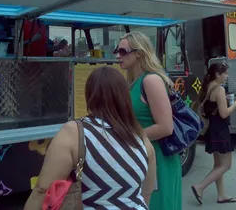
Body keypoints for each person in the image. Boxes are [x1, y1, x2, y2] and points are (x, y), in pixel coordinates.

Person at [24, 66, 156, 210]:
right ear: (125, 97)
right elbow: (146, 193)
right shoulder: (141, 138)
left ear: (89, 96)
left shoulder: (74, 132)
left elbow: (43, 189)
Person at [115, 31, 182, 210]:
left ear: (139, 53)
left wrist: (128, 137)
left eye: (123, 51)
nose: (117, 55)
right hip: (142, 155)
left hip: (158, 157)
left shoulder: (151, 80)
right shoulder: (133, 82)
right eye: (117, 50)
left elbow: (166, 127)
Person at [191, 63, 236, 205]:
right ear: (217, 74)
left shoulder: (208, 86)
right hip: (220, 130)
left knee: (218, 164)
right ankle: (200, 187)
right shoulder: (219, 89)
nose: (227, 76)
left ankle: (221, 195)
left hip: (212, 130)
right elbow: (224, 113)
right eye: (225, 73)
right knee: (226, 165)